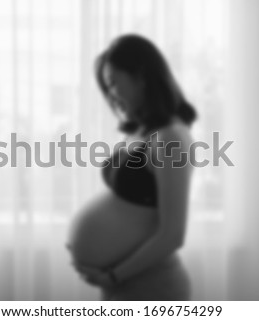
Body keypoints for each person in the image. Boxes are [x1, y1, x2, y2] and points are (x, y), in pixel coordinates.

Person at [67, 34, 197, 300]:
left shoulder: (170, 137)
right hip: (124, 284)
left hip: (152, 285)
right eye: (107, 86)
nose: (111, 95)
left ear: (141, 75)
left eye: (114, 83)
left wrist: (114, 275)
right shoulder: (142, 131)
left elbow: (173, 234)